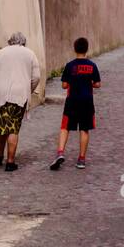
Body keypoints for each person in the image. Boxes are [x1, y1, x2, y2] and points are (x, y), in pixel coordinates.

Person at [0, 32, 41, 173]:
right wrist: (28, 89)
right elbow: (36, 77)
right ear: (23, 42)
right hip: (19, 94)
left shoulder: (1, 53)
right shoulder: (29, 53)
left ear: (10, 41)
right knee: (13, 127)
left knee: (2, 125)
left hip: (0, 94)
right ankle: (10, 162)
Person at [50, 37, 101, 170]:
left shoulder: (70, 65)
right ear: (86, 49)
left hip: (72, 100)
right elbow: (97, 84)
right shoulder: (92, 66)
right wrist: (90, 83)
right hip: (87, 101)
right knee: (84, 129)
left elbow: (64, 85)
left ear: (74, 48)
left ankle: (60, 152)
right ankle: (81, 159)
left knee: (65, 127)